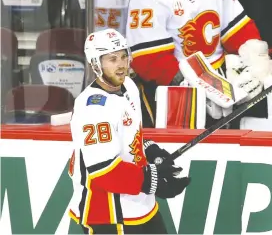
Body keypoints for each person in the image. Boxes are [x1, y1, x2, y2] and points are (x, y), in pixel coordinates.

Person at [126, 0, 272, 127]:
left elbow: (237, 28)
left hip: (222, 79)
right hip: (178, 88)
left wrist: (255, 60)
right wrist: (193, 87)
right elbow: (149, 60)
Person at [68, 29, 191, 234]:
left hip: (138, 202)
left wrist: (152, 151)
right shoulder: (93, 108)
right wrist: (153, 180)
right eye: (112, 59)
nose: (121, 64)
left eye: (124, 56)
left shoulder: (129, 86)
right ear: (96, 64)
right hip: (108, 212)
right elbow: (104, 171)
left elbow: (130, 134)